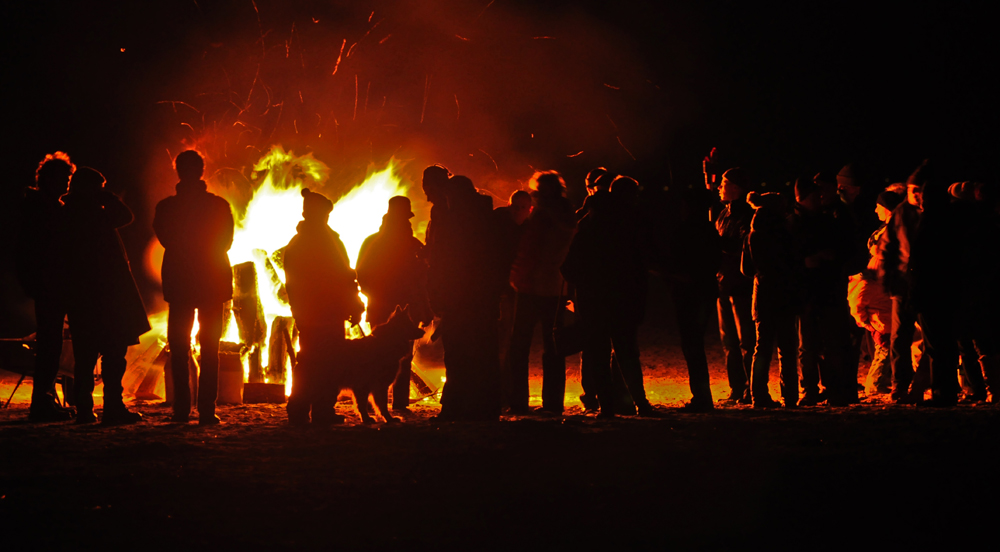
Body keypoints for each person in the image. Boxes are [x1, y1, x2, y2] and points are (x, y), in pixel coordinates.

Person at [62, 168, 150, 424]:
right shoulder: (92, 214)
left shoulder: (68, 213)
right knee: (113, 354)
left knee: (85, 356)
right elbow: (126, 216)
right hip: (107, 295)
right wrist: (109, 199)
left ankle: (85, 410)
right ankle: (112, 407)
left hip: (82, 295)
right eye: (99, 187)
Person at [562, 176, 656, 417]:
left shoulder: (587, 230)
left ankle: (606, 407)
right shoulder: (628, 228)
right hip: (623, 299)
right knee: (627, 353)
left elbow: (568, 268)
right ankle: (640, 402)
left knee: (598, 354)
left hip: (593, 301)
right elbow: (642, 262)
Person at [153, 150, 234, 424]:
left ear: (178, 172)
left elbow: (165, 239)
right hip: (212, 280)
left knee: (179, 345)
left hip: (180, 282)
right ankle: (207, 411)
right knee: (210, 347)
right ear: (202, 171)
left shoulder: (166, 208)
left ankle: (181, 409)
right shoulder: (219, 206)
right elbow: (226, 241)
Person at [284, 188, 364, 425]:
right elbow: (344, 277)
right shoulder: (328, 242)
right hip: (327, 313)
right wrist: (354, 304)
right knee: (325, 362)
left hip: (311, 313)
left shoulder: (298, 243)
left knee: (310, 362)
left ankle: (303, 410)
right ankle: (317, 410)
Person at [430, 175, 506, 421]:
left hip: (463, 299)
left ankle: (457, 407)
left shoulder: (457, 224)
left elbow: (445, 264)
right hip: (483, 300)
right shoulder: (489, 220)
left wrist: (441, 297)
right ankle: (485, 407)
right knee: (483, 353)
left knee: (459, 354)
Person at [505, 171, 577, 414]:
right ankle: (553, 403)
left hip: (532, 287)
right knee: (554, 347)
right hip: (557, 288)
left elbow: (529, 251)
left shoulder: (542, 218)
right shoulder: (569, 216)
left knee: (519, 345)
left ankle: (518, 400)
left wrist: (515, 276)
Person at [15, 152, 75, 421]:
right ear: (49, 180)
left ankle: (45, 400)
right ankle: (42, 404)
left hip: (52, 284)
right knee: (50, 344)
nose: (67, 184)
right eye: (64, 178)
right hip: (51, 285)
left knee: (52, 344)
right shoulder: (42, 210)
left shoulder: (42, 207)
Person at [356, 196, 428, 414]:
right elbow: (363, 275)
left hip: (391, 308)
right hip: (394, 308)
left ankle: (390, 403)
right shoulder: (410, 245)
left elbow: (362, 275)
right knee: (394, 357)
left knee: (388, 357)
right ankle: (394, 403)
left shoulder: (375, 242)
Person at [791, 177, 852, 406]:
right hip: (808, 290)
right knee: (808, 344)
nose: (820, 199)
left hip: (824, 289)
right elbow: (790, 257)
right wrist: (809, 260)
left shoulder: (825, 220)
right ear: (805, 198)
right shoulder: (795, 223)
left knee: (826, 342)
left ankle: (830, 389)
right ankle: (811, 389)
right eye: (815, 196)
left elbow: (841, 249)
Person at [742, 191, 801, 408]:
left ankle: (758, 395)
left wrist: (761, 274)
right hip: (785, 295)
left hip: (763, 296)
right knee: (787, 348)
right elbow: (796, 264)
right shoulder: (787, 234)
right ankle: (791, 396)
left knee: (762, 348)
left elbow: (746, 269)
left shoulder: (753, 235)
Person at [848, 190, 903, 396]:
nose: (874, 209)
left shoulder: (887, 237)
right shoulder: (886, 233)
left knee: (885, 345)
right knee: (885, 344)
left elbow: (866, 287)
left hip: (881, 299)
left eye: (879, 206)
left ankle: (878, 382)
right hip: (881, 301)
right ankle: (877, 383)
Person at [713, 168, 756, 404]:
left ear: (736, 188)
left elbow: (742, 248)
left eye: (724, 183)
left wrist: (716, 243)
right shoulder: (723, 214)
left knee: (746, 340)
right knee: (729, 341)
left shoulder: (748, 216)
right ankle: (737, 388)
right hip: (723, 284)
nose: (720, 187)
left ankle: (751, 388)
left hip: (741, 286)